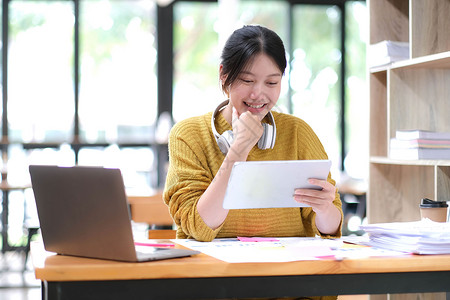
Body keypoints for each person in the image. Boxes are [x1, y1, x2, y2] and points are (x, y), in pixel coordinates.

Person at [163, 25, 343, 244]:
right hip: (214, 272)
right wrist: (239, 149)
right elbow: (199, 227)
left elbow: (331, 227)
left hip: (286, 271)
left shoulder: (298, 132)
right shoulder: (188, 135)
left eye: (271, 82)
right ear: (224, 75)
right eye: (247, 81)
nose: (258, 94)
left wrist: (324, 208)